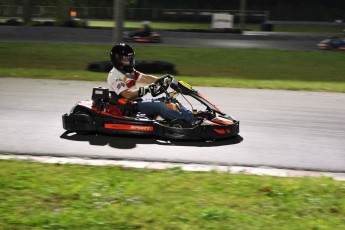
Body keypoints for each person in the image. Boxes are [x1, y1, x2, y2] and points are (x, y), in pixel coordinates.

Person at [107, 43, 194, 124]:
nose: (130, 61)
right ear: (117, 60)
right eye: (126, 59)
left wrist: (162, 80)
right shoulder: (113, 76)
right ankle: (189, 121)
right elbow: (127, 95)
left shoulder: (128, 72)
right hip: (128, 106)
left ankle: (189, 116)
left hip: (137, 103)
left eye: (130, 58)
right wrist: (148, 89)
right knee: (160, 105)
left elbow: (146, 78)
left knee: (169, 100)